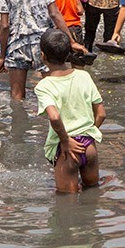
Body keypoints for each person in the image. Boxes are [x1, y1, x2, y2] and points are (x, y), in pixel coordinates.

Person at [0, 0, 84, 100]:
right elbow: (54, 14)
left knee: (17, 97)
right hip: (43, 43)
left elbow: (4, 26)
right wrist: (71, 41)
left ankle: (20, 117)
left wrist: (2, 56)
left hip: (17, 45)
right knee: (52, 93)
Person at [34, 29, 105, 193]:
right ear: (68, 54)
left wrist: (66, 140)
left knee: (67, 201)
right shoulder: (84, 76)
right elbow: (101, 114)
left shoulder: (44, 86)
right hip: (88, 146)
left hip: (67, 151)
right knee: (92, 193)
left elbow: (54, 117)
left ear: (43, 56)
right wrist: (88, 133)